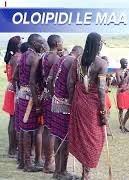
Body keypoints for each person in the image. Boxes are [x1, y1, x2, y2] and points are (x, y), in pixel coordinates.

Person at [68, 32, 108, 179]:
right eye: (101, 42)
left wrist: (71, 103)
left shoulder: (77, 60)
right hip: (92, 107)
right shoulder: (102, 63)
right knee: (93, 139)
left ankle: (85, 172)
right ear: (98, 44)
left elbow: (71, 84)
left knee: (83, 138)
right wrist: (103, 113)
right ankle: (86, 174)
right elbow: (101, 90)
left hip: (78, 103)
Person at [48, 46, 83, 179]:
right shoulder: (73, 61)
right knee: (65, 139)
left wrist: (54, 95)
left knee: (58, 137)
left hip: (56, 102)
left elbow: (50, 80)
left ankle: (58, 171)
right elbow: (70, 84)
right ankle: (61, 172)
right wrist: (72, 101)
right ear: (78, 54)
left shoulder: (60, 59)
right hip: (65, 105)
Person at [13, 34, 46, 172]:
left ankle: (22, 162)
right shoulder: (35, 57)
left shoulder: (23, 55)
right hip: (29, 97)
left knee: (22, 128)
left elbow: (15, 76)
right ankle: (27, 164)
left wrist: (22, 87)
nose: (43, 44)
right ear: (33, 42)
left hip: (21, 94)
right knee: (27, 130)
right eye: (40, 42)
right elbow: (33, 81)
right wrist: (37, 103)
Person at [41, 34, 64, 173]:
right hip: (51, 96)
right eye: (61, 42)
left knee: (46, 129)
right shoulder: (56, 58)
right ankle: (49, 163)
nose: (62, 44)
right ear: (56, 43)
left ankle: (47, 161)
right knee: (51, 130)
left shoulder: (44, 56)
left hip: (45, 94)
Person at [2, 36, 22, 158]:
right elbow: (16, 78)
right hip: (15, 90)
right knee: (14, 119)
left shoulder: (10, 57)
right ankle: (12, 149)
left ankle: (12, 148)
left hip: (11, 90)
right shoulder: (17, 58)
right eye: (21, 42)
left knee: (13, 119)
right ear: (17, 45)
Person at [116, 58, 129, 133]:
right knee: (121, 110)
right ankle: (122, 127)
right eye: (125, 63)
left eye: (127, 63)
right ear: (121, 63)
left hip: (126, 91)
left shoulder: (126, 71)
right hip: (121, 92)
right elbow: (119, 83)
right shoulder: (118, 72)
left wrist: (127, 87)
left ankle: (123, 124)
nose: (126, 64)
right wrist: (124, 77)